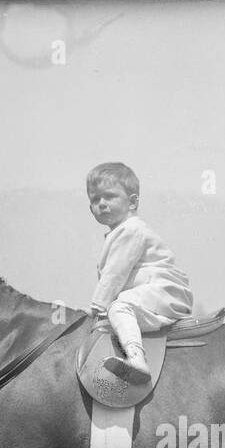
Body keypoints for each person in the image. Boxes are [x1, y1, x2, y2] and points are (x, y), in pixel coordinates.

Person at [86, 162, 193, 384]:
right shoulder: (119, 232)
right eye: (95, 199)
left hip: (162, 291)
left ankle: (136, 359)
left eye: (109, 196)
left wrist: (97, 308)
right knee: (118, 311)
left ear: (133, 202)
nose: (102, 203)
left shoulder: (131, 229)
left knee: (119, 308)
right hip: (153, 296)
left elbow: (115, 275)